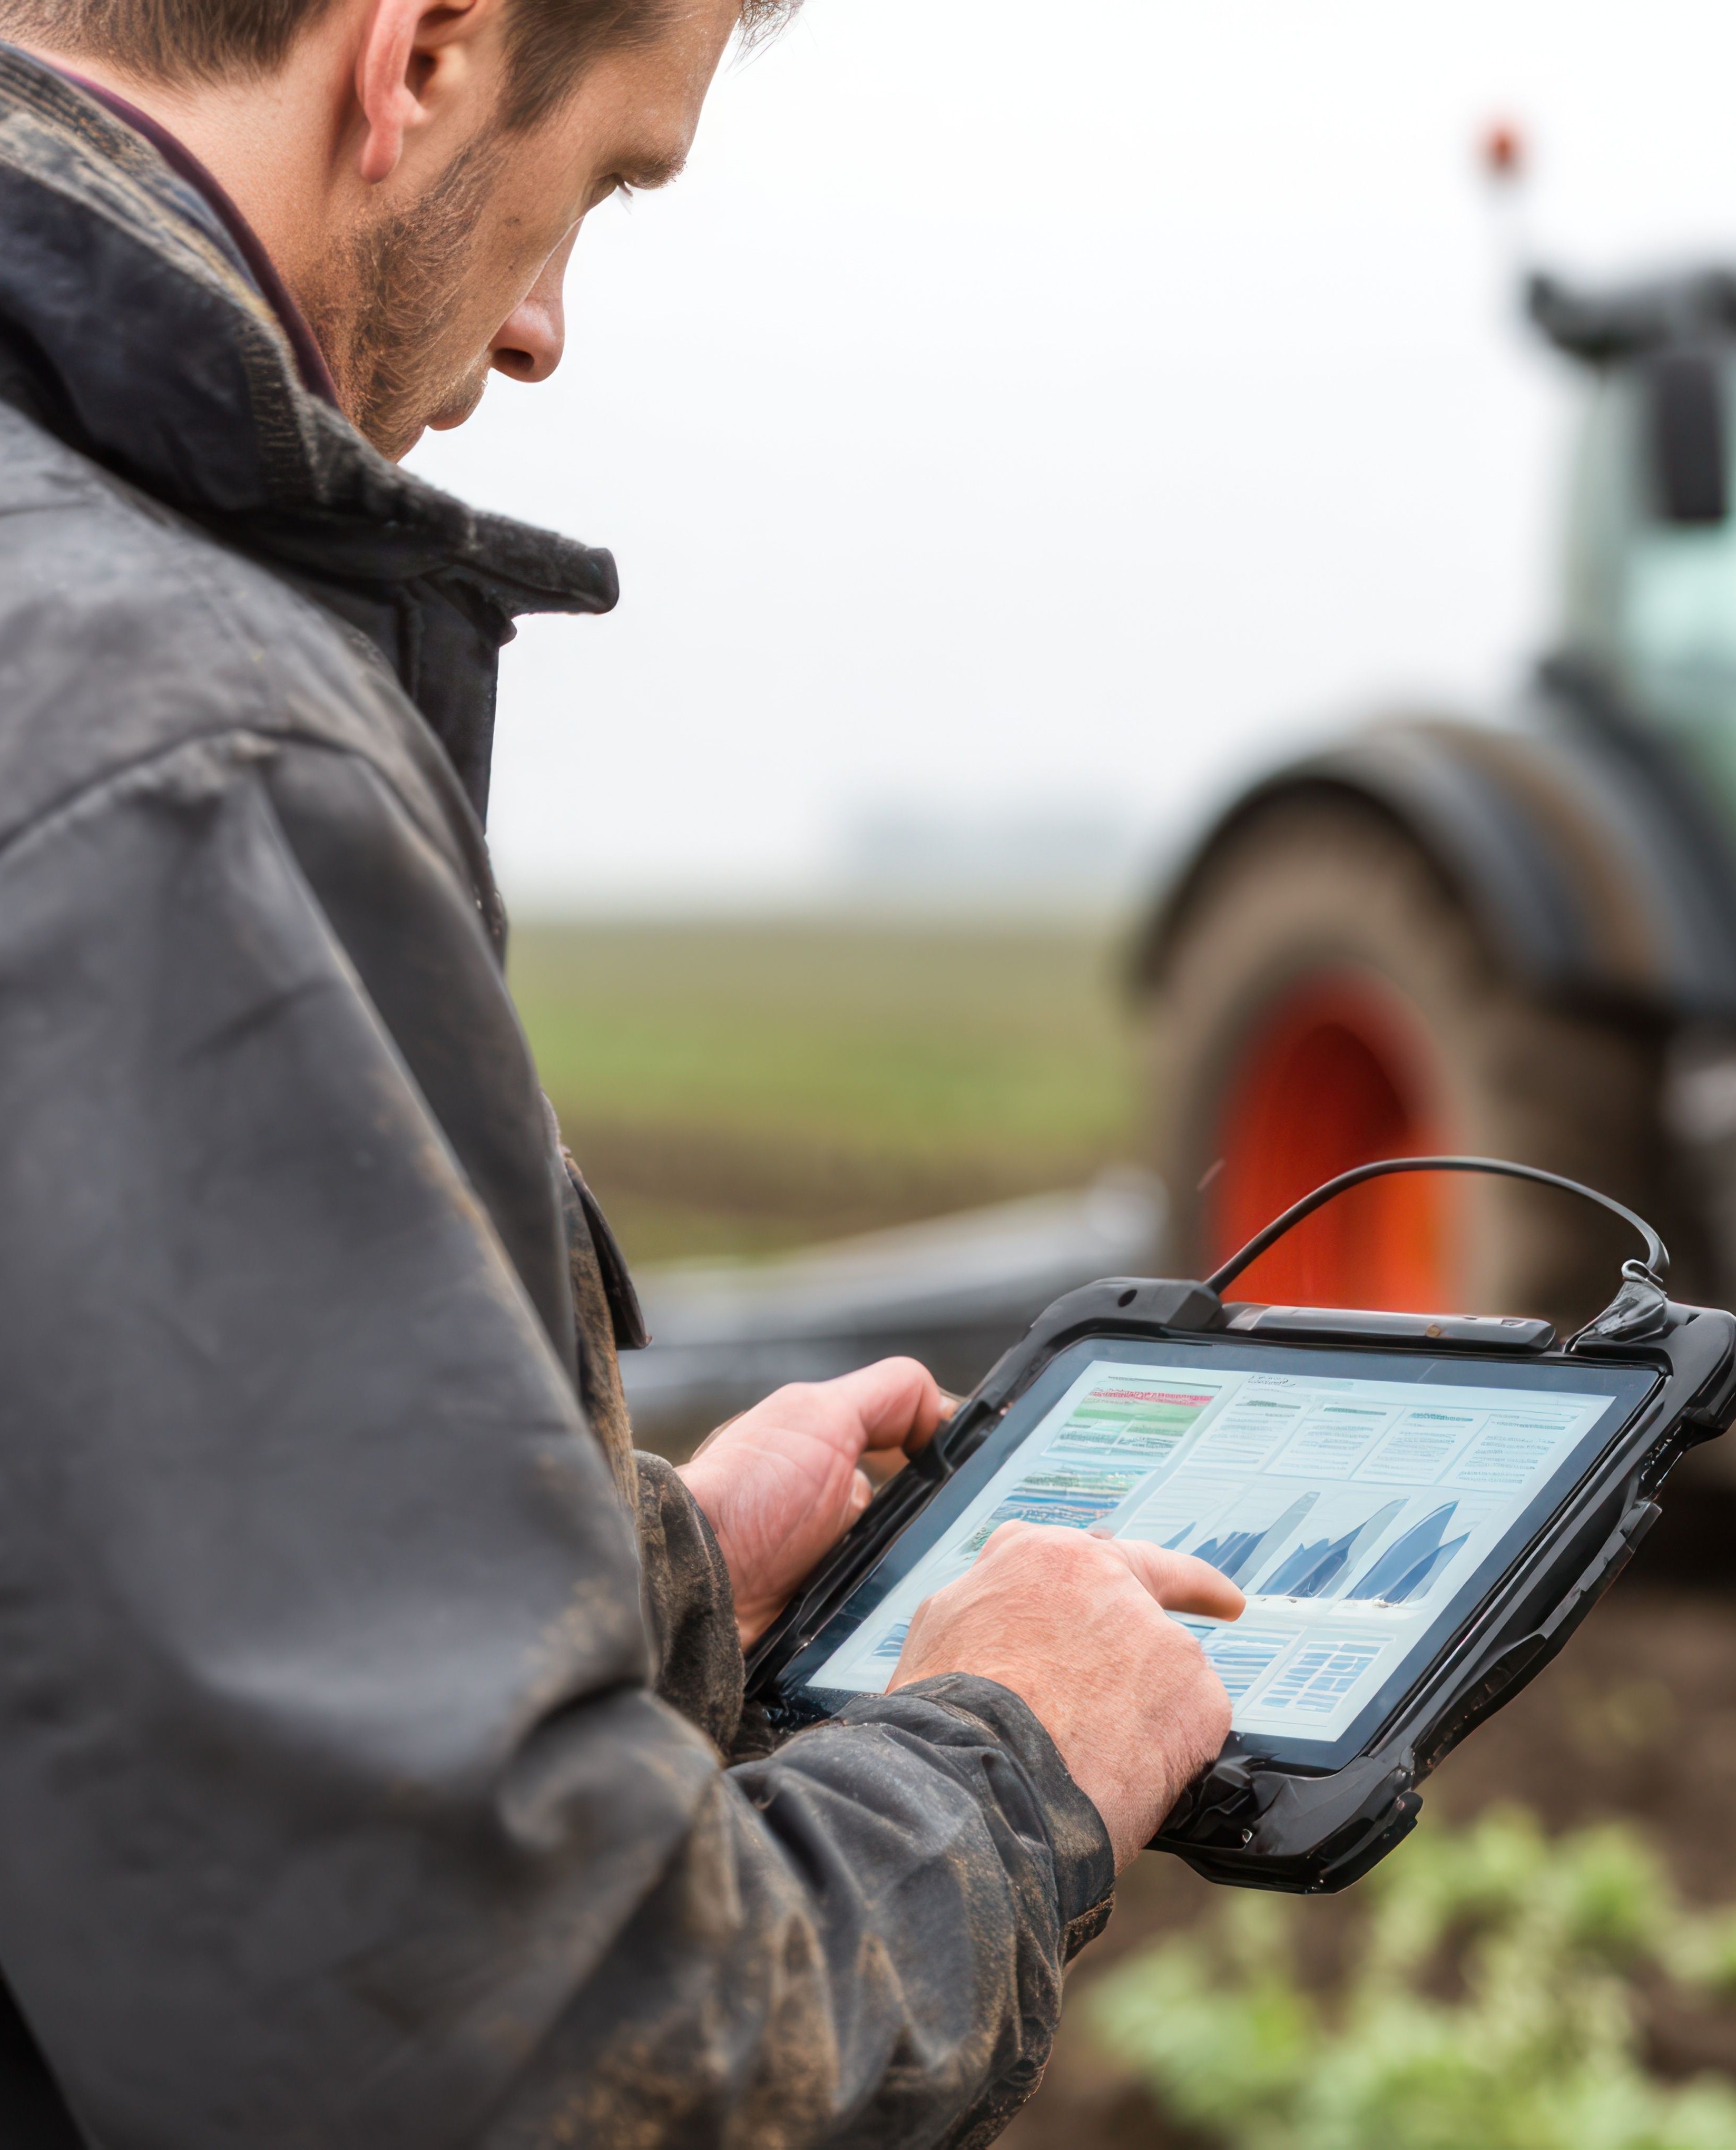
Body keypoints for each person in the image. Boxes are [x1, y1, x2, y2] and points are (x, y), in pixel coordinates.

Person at [0, 1, 1247, 2140]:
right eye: (597, 187)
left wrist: (656, 1584)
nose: (545, 330)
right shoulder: (182, 756)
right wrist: (1002, 1753)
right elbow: (507, 2053)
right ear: (420, 56)